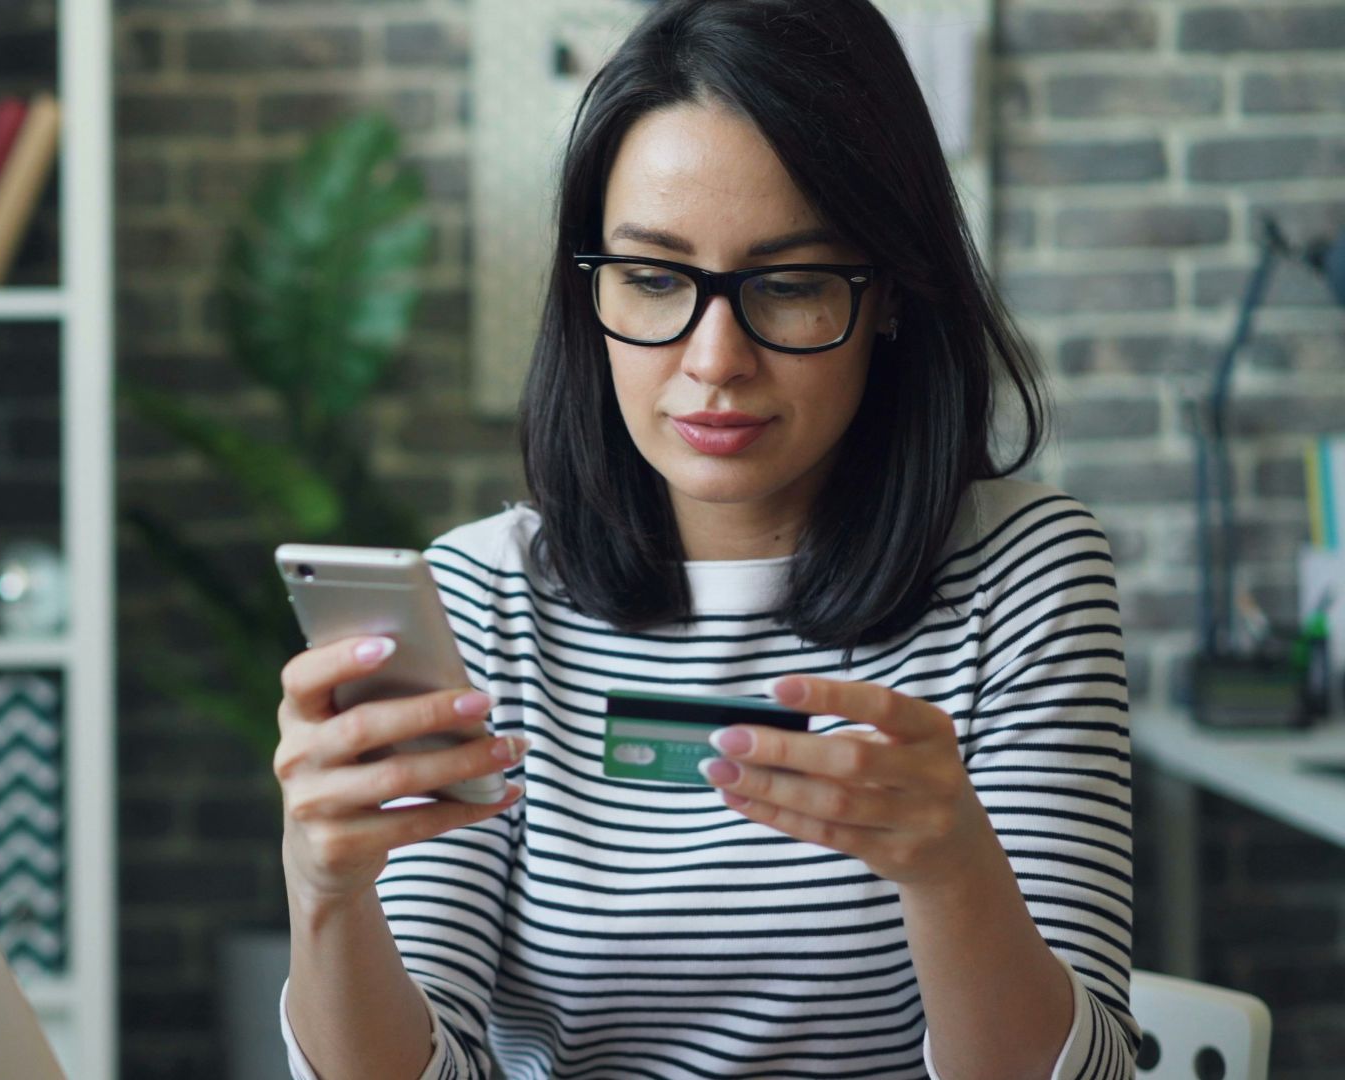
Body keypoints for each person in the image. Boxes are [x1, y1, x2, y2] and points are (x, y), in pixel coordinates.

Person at [271, 0, 1136, 1076]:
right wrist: (326, 892)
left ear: (893, 298)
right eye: (653, 279)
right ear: (589, 293)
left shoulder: (1024, 575)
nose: (715, 358)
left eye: (788, 284)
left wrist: (953, 871)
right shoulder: (480, 600)